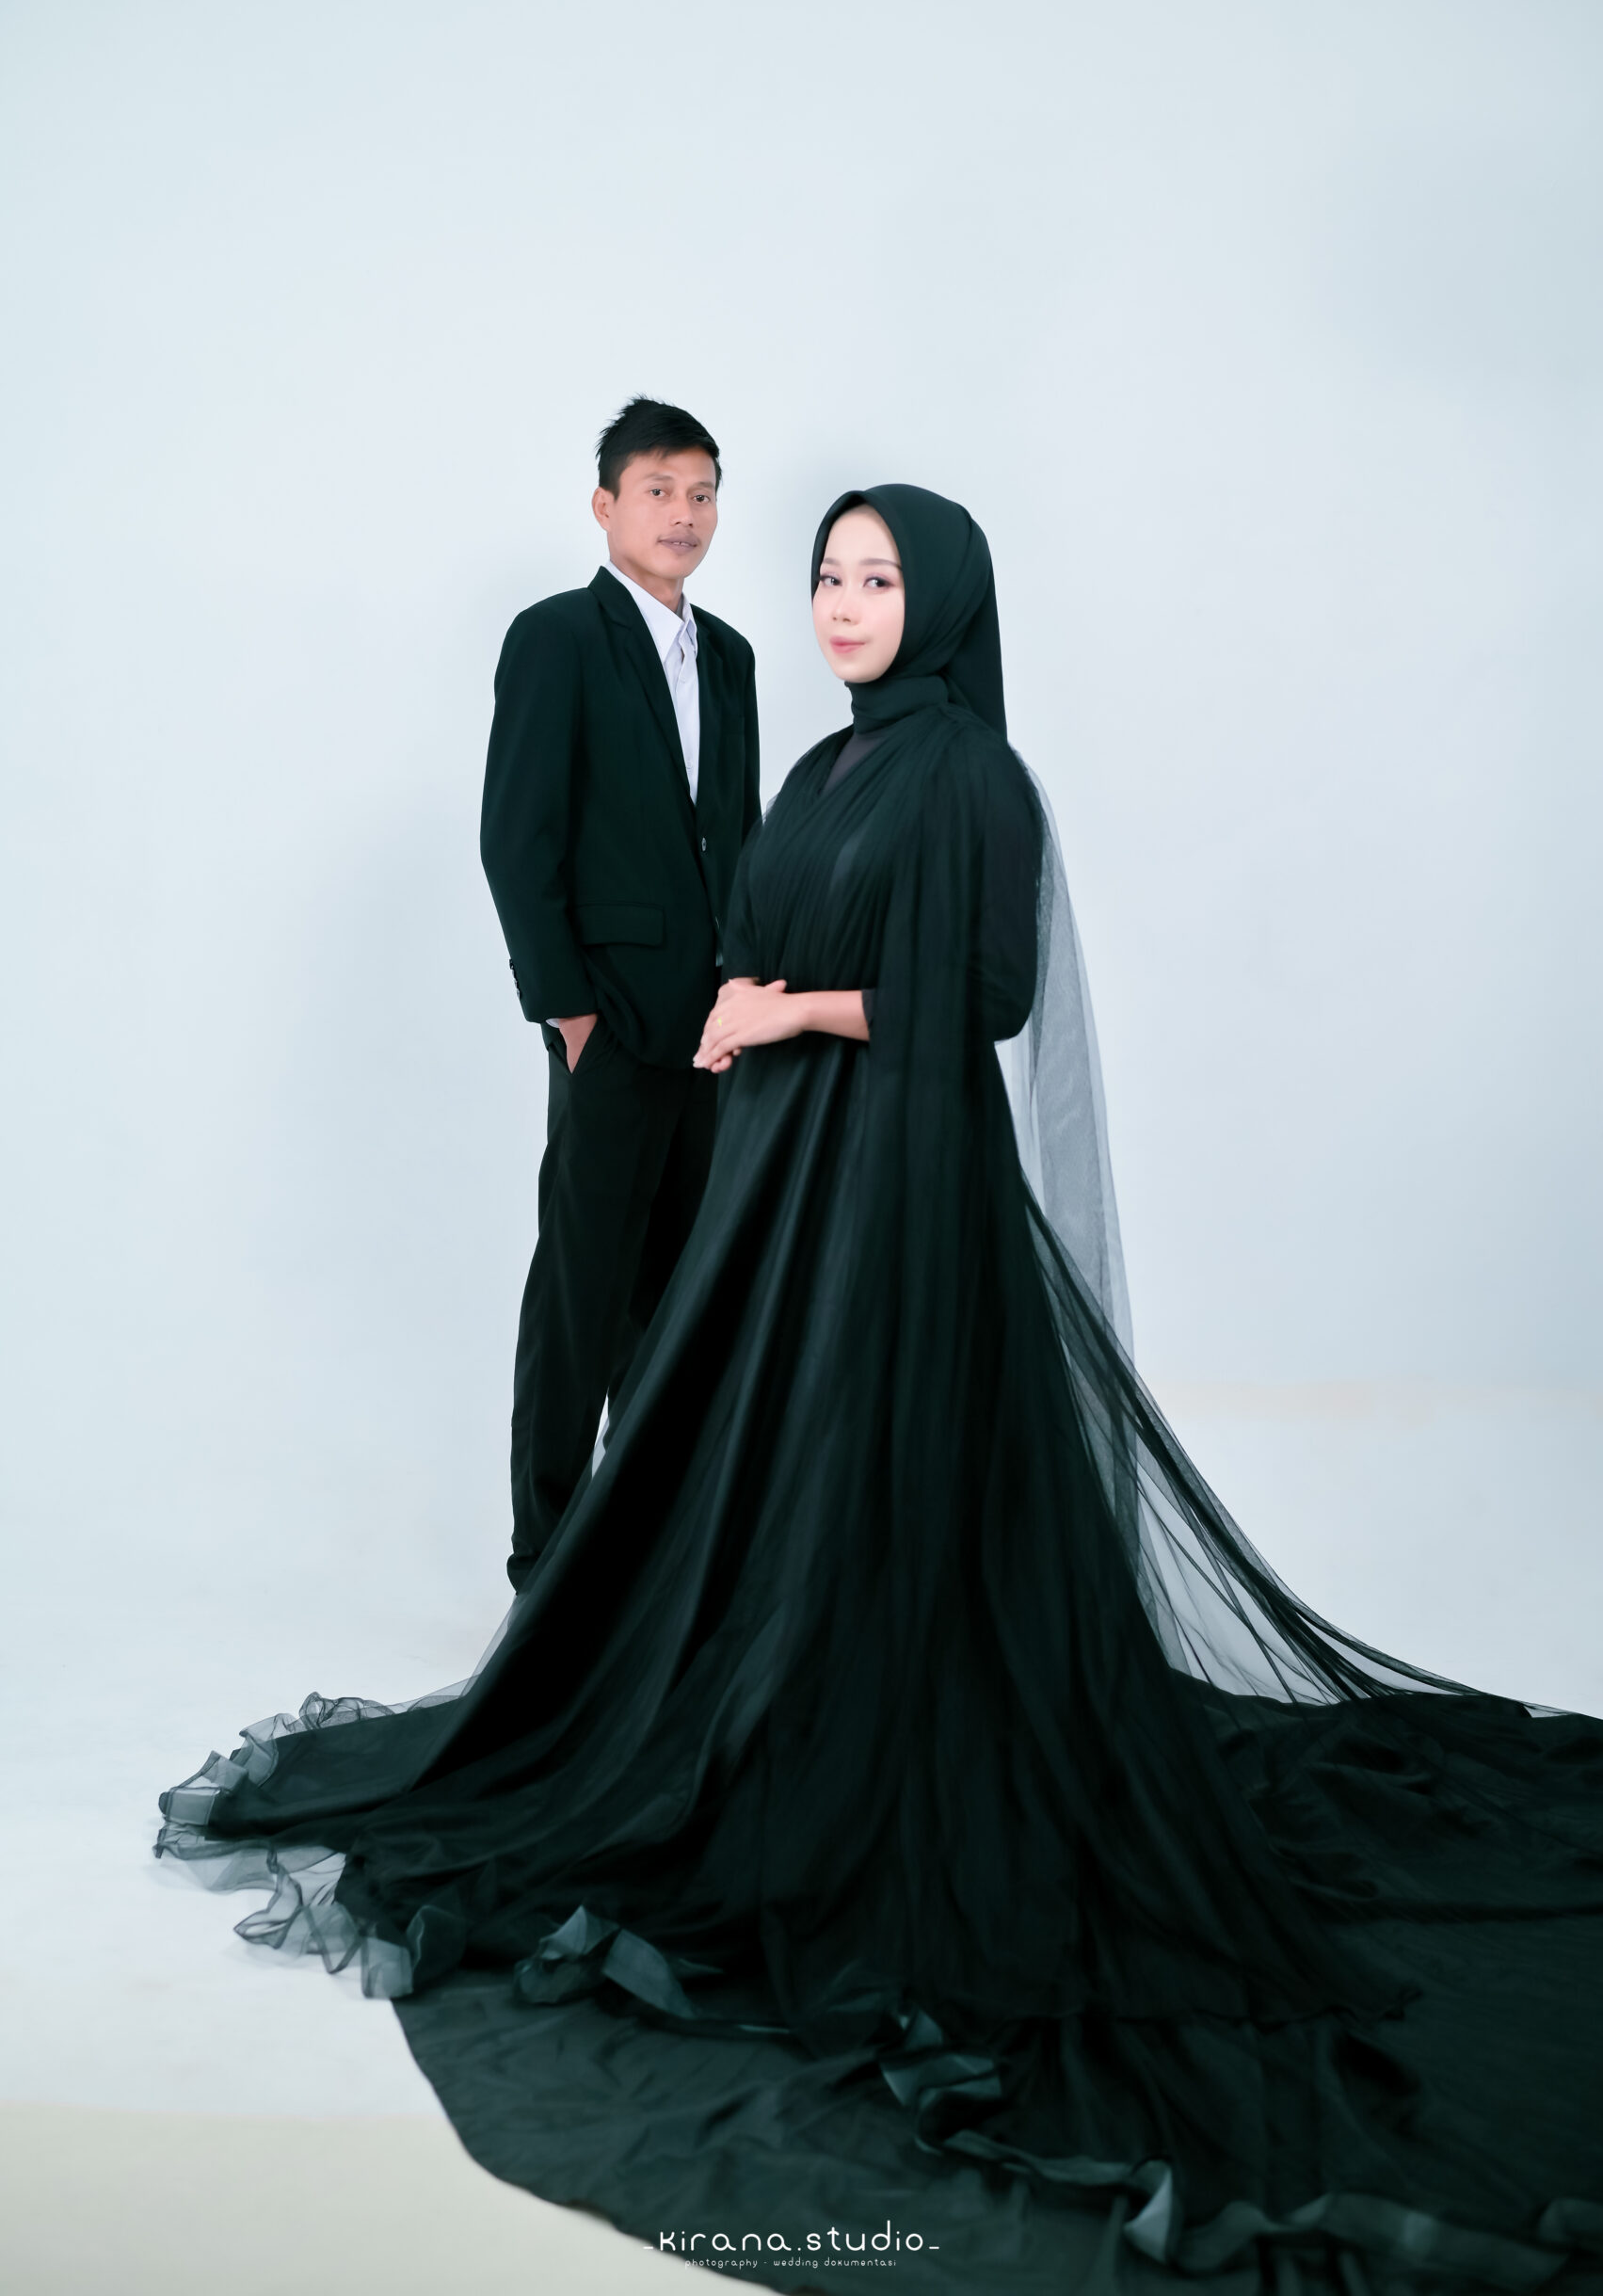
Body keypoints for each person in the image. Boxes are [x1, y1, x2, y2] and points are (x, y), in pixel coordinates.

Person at [159, 488, 1603, 2294]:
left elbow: (981, 996)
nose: (841, 603)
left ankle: (873, 1753)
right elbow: (772, 933)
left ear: (944, 602)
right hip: (785, 1172)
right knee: (762, 1471)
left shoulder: (972, 777)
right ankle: (763, 1720)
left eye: (878, 579)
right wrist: (734, 996)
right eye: (828, 575)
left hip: (901, 1180)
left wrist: (788, 1013)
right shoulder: (823, 765)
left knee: (880, 1469)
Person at [480, 398, 760, 1589]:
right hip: (606, 1022)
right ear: (605, 506)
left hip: (712, 1031)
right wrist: (570, 1016)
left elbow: (735, 838)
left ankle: (647, 1558)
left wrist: (747, 988)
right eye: (657, 490)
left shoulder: (731, 657)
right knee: (580, 1293)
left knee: (681, 1298)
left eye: (700, 493)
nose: (682, 513)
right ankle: (544, 1563)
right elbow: (515, 838)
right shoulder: (557, 638)